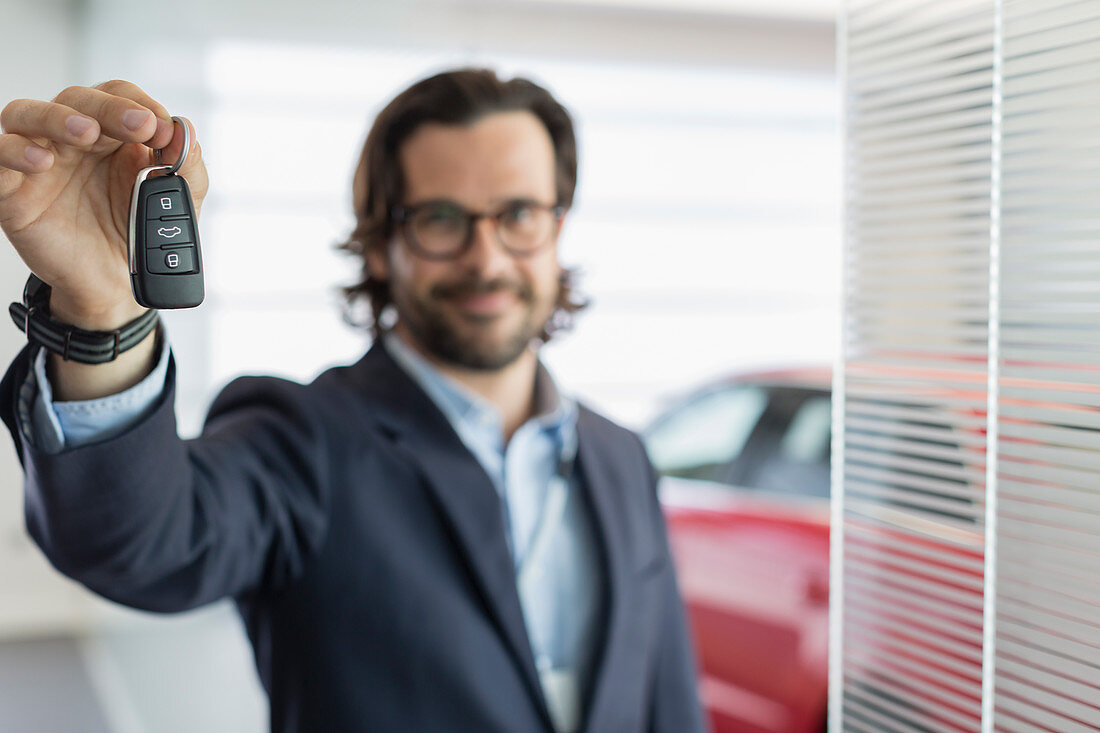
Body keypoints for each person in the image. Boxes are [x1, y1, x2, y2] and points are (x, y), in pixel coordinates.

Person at [0, 70, 705, 733]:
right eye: (441, 218)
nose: (487, 259)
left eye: (519, 213)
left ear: (558, 225)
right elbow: (136, 543)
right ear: (379, 242)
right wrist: (101, 313)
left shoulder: (621, 457)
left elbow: (670, 700)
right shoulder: (302, 439)